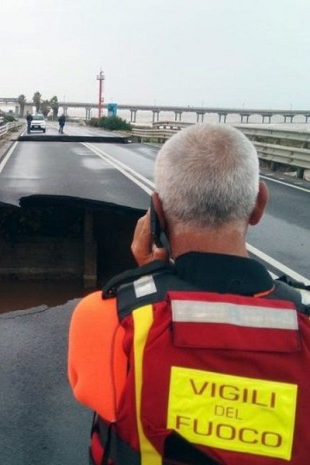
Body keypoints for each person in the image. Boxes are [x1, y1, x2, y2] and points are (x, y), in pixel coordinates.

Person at [68, 123, 310, 464]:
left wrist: (147, 277)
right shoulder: (304, 323)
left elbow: (101, 399)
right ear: (259, 203)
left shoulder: (109, 318)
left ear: (157, 213)